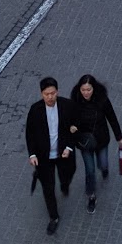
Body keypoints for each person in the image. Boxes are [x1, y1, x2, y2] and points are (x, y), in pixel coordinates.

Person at [25, 76, 77, 234]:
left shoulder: (67, 106)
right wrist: (32, 155)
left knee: (68, 172)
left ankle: (65, 184)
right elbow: (30, 134)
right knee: (48, 188)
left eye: (53, 93)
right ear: (42, 94)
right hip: (44, 157)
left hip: (63, 153)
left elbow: (75, 127)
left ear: (57, 92)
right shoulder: (35, 110)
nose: (50, 97)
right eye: (47, 94)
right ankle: (53, 217)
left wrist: (69, 147)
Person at [66, 74, 122, 212]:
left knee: (103, 163)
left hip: (101, 139)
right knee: (90, 170)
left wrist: (119, 137)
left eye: (88, 89)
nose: (86, 93)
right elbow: (69, 119)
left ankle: (104, 169)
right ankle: (91, 195)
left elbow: (112, 118)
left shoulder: (102, 100)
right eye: (83, 90)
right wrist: (72, 127)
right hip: (85, 141)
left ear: (94, 88)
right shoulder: (75, 102)